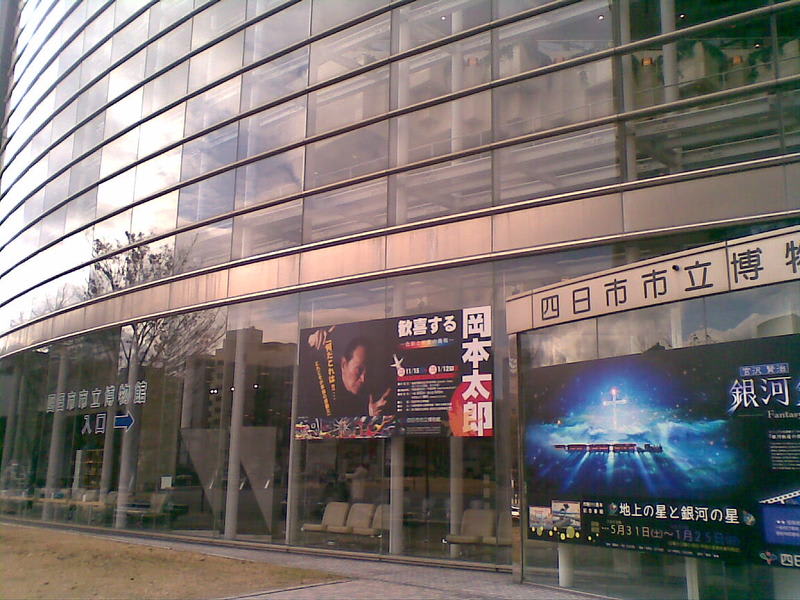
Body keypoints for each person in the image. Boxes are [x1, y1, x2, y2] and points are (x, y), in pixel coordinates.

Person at [307, 328, 392, 417]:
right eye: (359, 370)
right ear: (344, 364)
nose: (363, 378)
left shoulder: (374, 395)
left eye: (369, 371)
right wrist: (311, 340)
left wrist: (373, 416)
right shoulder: (321, 378)